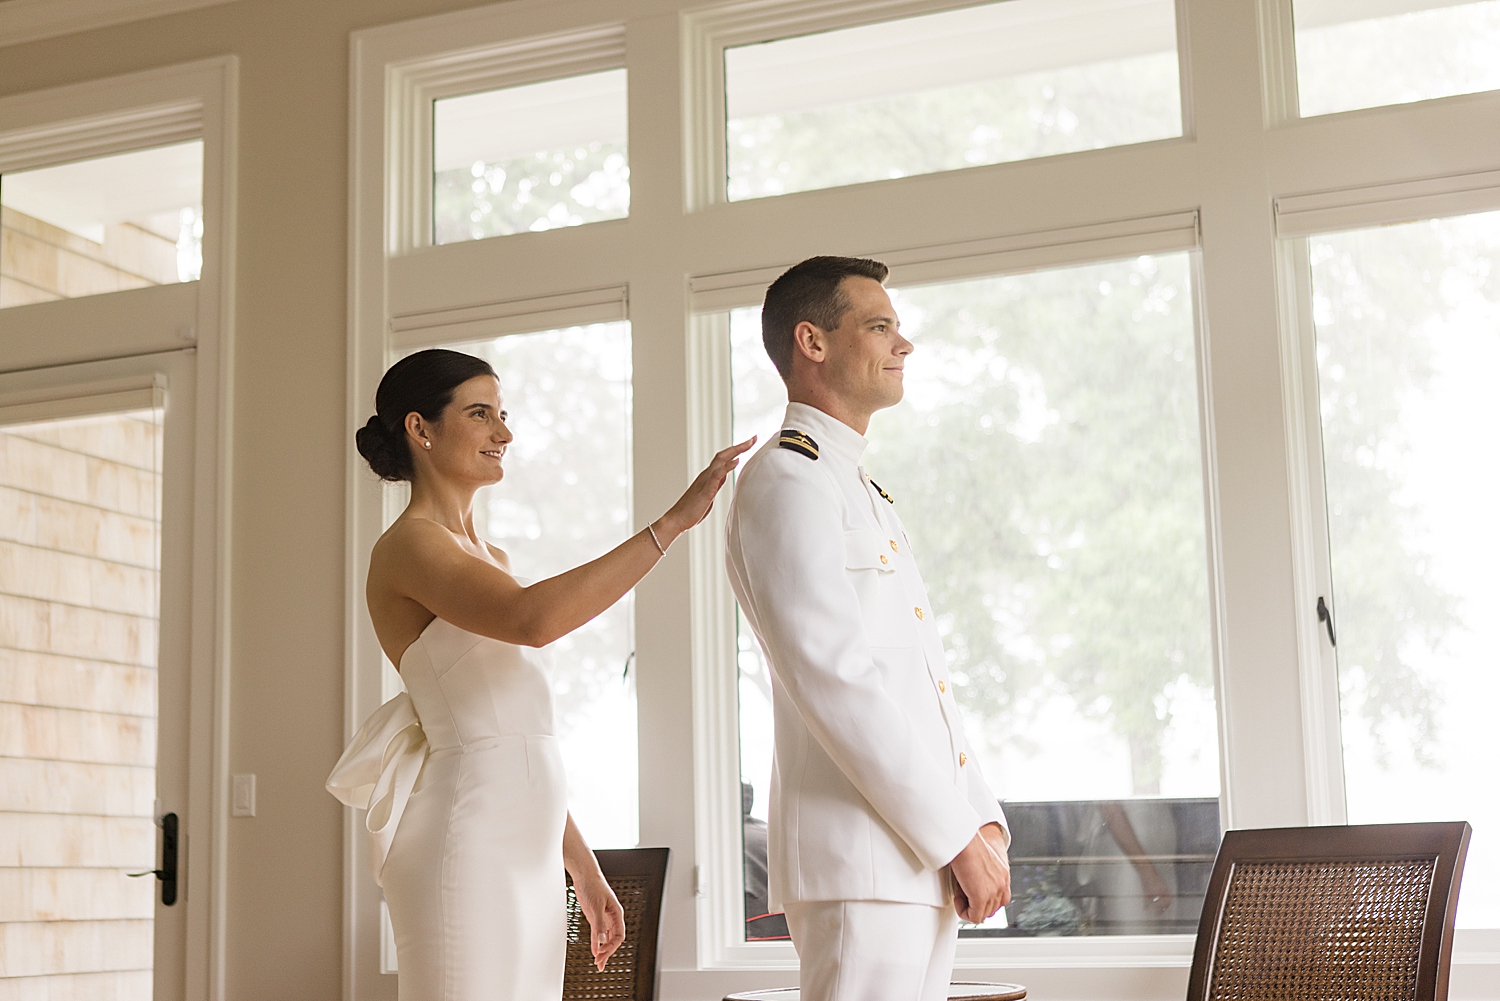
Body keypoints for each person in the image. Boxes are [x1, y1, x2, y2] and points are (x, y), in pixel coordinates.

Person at [327, 348, 752, 1001]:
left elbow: (521, 737)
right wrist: (670, 524)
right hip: (464, 844)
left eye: (504, 414)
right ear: (421, 428)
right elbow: (536, 620)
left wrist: (582, 866)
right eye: (480, 414)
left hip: (529, 852)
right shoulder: (409, 545)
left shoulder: (491, 556)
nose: (505, 432)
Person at [724, 257, 1013, 1001]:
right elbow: (836, 679)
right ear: (812, 342)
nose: (903, 344)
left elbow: (924, 683)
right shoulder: (786, 480)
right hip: (860, 861)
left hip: (917, 858)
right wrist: (954, 834)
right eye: (880, 325)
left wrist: (980, 820)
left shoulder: (857, 487)